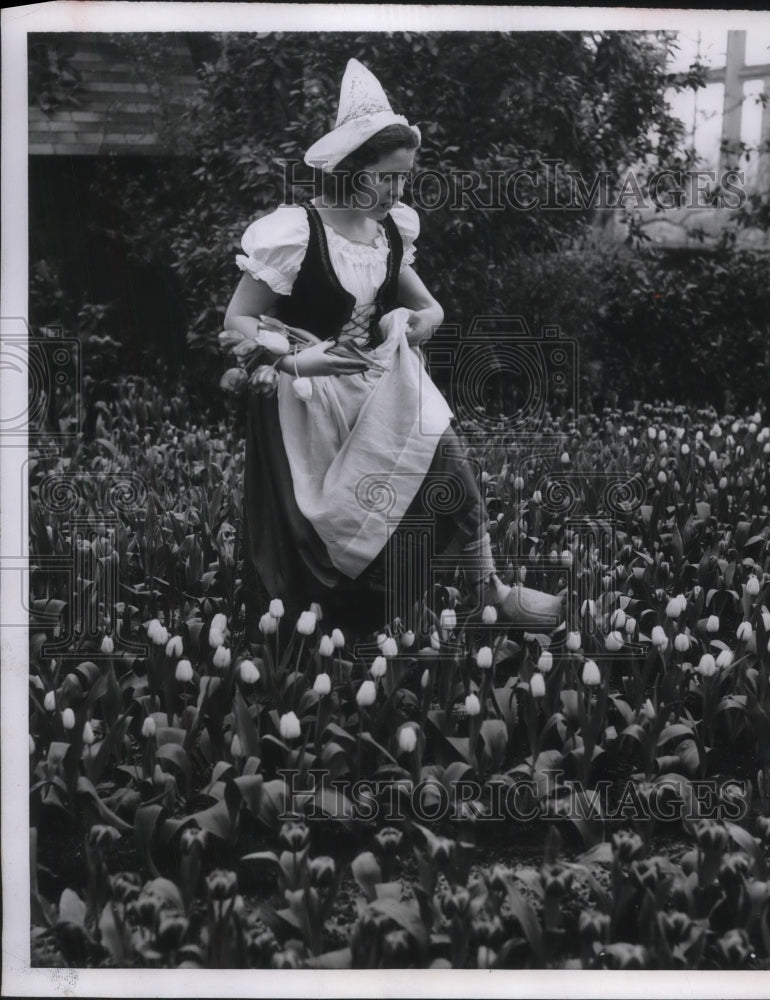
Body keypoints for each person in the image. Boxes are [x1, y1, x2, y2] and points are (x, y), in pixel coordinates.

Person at [223, 58, 563, 636]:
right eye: (385, 176)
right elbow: (237, 321)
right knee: (342, 528)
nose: (396, 189)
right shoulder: (296, 232)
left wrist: (410, 319)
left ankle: (492, 592)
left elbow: (432, 309)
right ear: (350, 169)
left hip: (382, 386)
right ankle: (353, 631)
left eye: (403, 177)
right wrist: (298, 358)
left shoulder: (388, 233)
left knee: (449, 465)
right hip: (307, 403)